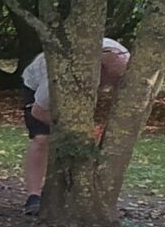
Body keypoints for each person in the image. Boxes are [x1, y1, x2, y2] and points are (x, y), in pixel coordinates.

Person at [19, 38, 132, 215]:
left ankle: (79, 193)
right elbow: (38, 112)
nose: (114, 86)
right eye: (113, 80)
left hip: (82, 85)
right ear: (100, 70)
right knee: (42, 139)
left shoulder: (123, 60)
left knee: (82, 141)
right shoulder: (59, 75)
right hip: (36, 88)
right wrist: (77, 128)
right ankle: (34, 196)